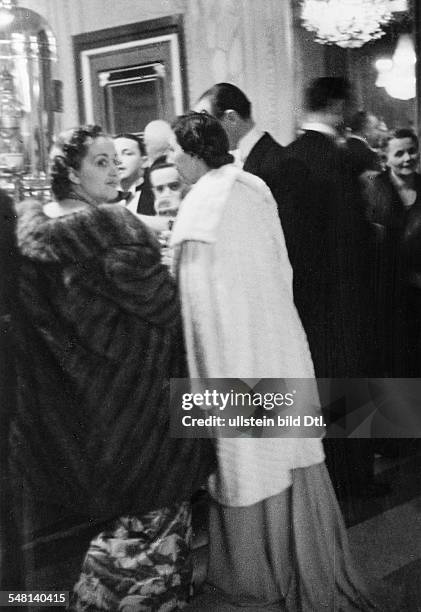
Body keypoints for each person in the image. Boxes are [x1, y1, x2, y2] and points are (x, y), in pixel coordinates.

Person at [168, 111, 393, 611]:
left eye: (174, 153)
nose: (172, 162)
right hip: (273, 341)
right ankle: (293, 556)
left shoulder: (202, 205)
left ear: (191, 153)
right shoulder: (252, 187)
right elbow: (278, 268)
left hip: (231, 357)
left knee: (244, 458)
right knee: (279, 450)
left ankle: (252, 571)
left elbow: (196, 306)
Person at [11, 125, 215, 610]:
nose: (114, 169)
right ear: (71, 173)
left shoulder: (39, 236)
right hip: (145, 408)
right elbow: (169, 310)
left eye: (115, 159)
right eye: (100, 161)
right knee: (153, 527)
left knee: (130, 527)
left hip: (90, 409)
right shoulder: (115, 233)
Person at [285, 77, 385, 499]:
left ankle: (327, 477)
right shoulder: (339, 158)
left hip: (305, 294)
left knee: (318, 385)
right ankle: (356, 478)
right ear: (338, 105)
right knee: (349, 385)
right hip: (344, 292)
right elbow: (353, 234)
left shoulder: (290, 156)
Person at [193, 83, 307, 258]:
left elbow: (287, 239)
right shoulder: (226, 163)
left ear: (231, 118)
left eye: (207, 123)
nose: (203, 134)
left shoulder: (280, 163)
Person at [364, 128, 421, 377]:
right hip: (384, 296)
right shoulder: (371, 191)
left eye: (412, 151)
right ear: (385, 158)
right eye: (399, 153)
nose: (408, 158)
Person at [113, 132, 149, 214]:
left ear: (144, 161)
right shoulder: (99, 198)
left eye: (127, 154)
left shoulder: (157, 191)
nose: (118, 161)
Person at [346, 110, 382, 176]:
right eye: (376, 128)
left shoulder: (339, 147)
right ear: (366, 129)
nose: (379, 132)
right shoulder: (370, 155)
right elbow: (373, 181)